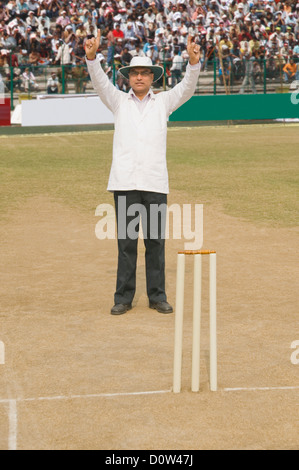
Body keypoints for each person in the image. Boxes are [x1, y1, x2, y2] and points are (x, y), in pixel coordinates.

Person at [85, 31, 201, 315]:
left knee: (155, 244)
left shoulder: (163, 103)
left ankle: (157, 296)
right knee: (126, 245)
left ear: (152, 77)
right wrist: (91, 58)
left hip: (154, 183)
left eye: (144, 73)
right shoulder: (117, 101)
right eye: (135, 73)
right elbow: (100, 82)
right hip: (125, 183)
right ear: (128, 77)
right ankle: (123, 298)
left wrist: (194, 64)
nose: (139, 77)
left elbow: (186, 89)